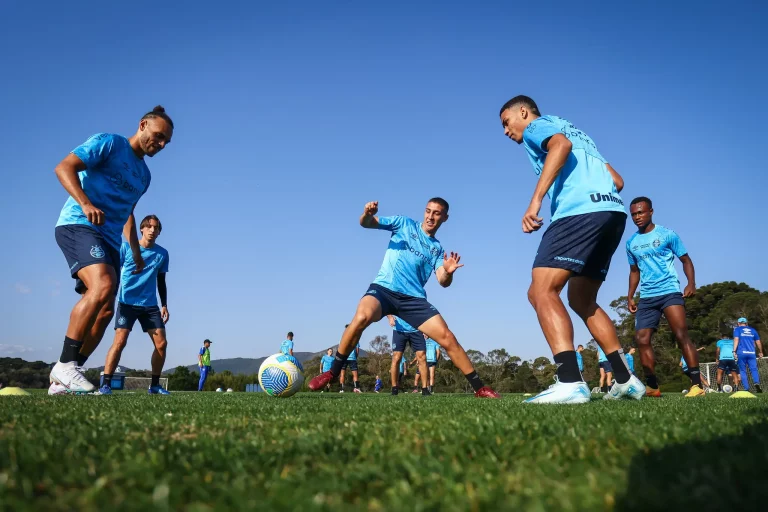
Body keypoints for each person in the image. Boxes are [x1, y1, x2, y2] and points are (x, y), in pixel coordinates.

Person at [499, 96, 643, 403]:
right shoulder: (580, 133)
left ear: (523, 112)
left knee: (541, 291)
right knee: (581, 298)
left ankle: (569, 382)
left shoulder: (538, 126)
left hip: (578, 212)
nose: (506, 131)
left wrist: (536, 200)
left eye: (506, 122)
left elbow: (560, 146)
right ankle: (624, 379)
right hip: (612, 213)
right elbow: (617, 180)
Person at [308, 199, 499, 398]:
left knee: (448, 338)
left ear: (445, 218)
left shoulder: (437, 249)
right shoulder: (403, 224)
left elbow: (443, 280)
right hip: (384, 289)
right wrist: (367, 213)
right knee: (361, 317)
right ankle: (332, 372)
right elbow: (366, 223)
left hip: (413, 300)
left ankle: (480, 388)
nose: (430, 217)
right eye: (428, 211)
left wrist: (449, 272)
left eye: (436, 213)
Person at [49, 106, 173, 395]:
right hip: (79, 224)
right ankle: (64, 364)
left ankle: (65, 378)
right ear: (143, 125)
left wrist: (136, 251)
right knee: (103, 285)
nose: (162, 144)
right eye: (159, 136)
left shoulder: (144, 176)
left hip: (109, 241)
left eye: (167, 141)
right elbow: (64, 167)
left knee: (105, 310)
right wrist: (85, 203)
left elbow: (128, 215)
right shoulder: (110, 143)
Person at [626, 196, 703, 398]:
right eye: (633, 214)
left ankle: (697, 386)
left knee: (681, 334)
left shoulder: (668, 235)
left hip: (669, 292)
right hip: (648, 297)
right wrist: (630, 296)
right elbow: (634, 271)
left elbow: (686, 260)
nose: (637, 217)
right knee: (641, 339)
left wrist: (691, 283)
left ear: (651, 212)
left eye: (640, 212)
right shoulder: (631, 243)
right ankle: (652, 386)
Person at [99, 215, 170, 395]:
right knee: (120, 341)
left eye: (157, 228)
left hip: (150, 306)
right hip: (126, 303)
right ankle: (106, 384)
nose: (153, 230)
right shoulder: (126, 248)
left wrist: (164, 305)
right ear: (142, 229)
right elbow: (113, 272)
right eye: (150, 227)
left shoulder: (162, 254)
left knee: (161, 344)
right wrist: (110, 295)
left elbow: (161, 281)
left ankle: (154, 385)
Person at [388, 315, 428, 395]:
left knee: (422, 357)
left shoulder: (419, 301)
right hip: (399, 330)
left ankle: (425, 389)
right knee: (396, 357)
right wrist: (390, 317)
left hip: (416, 329)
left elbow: (424, 311)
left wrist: (426, 328)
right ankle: (394, 389)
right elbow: (387, 303)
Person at [734, 318, 763, 393]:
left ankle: (747, 388)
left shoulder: (737, 329)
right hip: (752, 353)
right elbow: (758, 342)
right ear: (746, 323)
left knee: (743, 370)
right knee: (754, 369)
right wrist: (760, 351)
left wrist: (734, 351)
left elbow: (736, 340)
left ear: (738, 323)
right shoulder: (753, 330)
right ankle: (756, 383)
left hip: (742, 353)